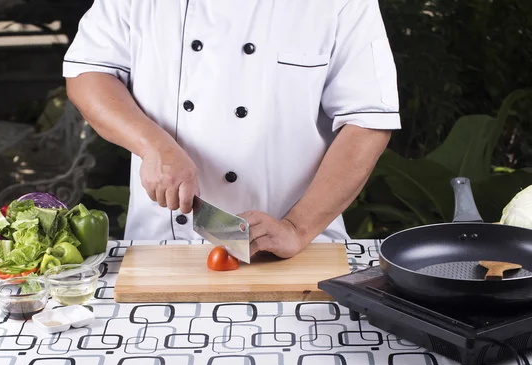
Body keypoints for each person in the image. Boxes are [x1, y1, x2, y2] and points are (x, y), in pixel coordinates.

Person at [63, 0, 401, 259]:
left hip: (296, 249)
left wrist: (297, 228)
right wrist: (152, 145)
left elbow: (367, 121)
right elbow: (88, 74)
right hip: (161, 248)